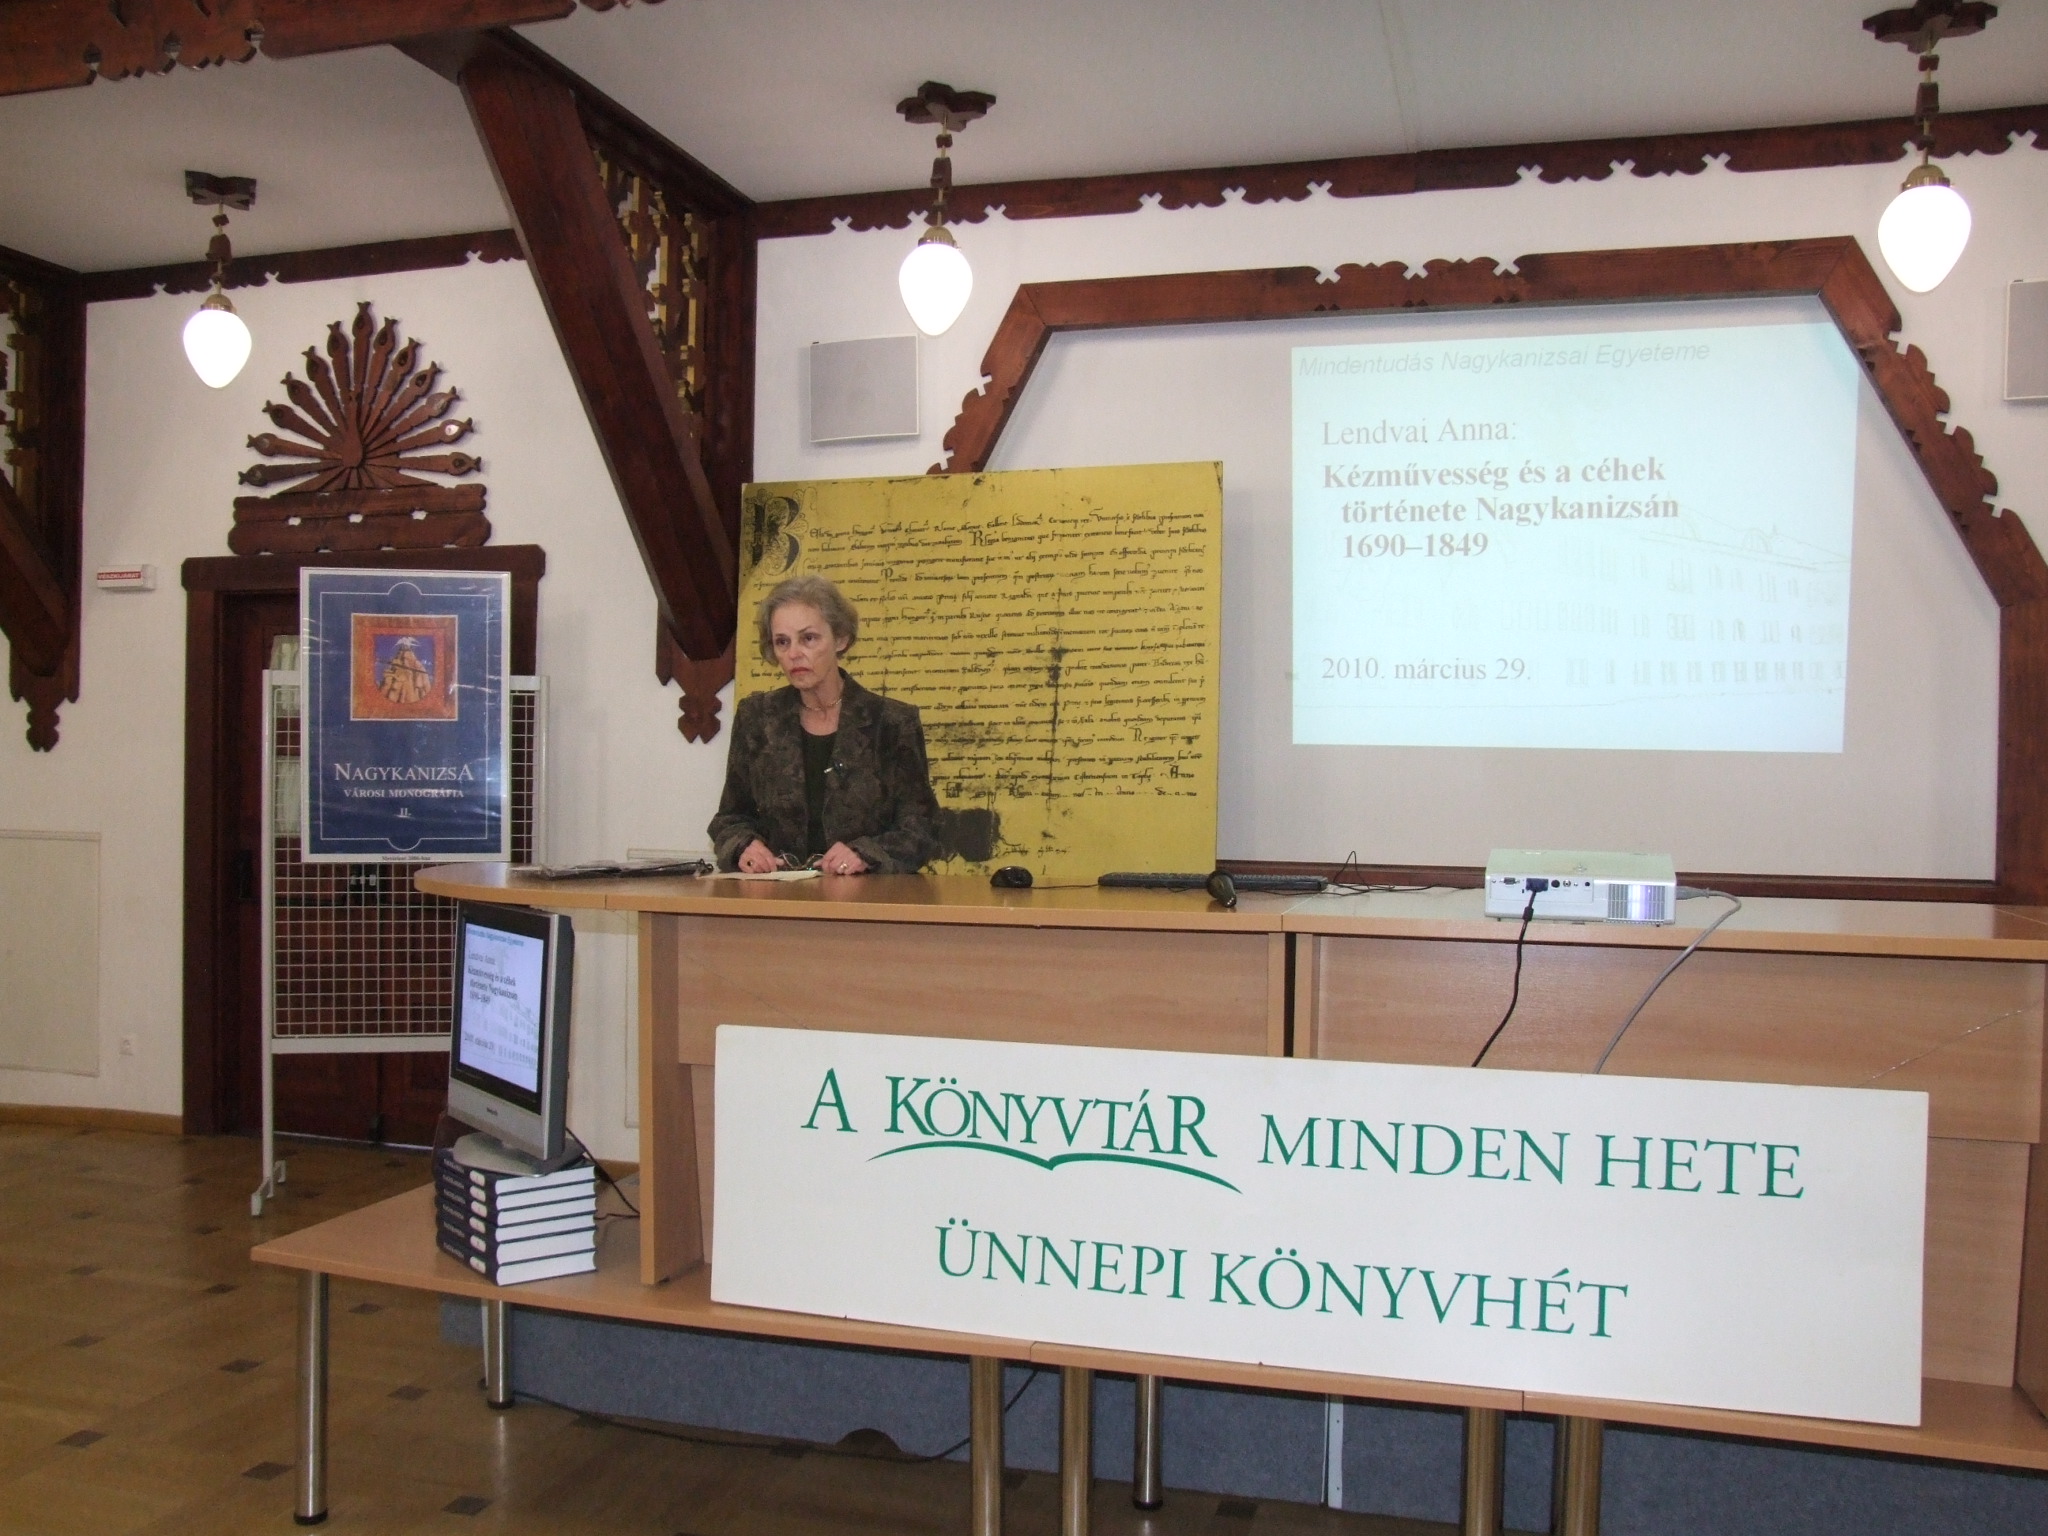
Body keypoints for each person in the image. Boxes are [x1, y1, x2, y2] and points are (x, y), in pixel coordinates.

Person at [708, 574, 942, 875]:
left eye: (808, 638)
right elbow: (730, 819)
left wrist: (865, 854)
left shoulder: (892, 723)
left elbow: (922, 829)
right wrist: (743, 847)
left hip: (866, 895)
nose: (794, 654)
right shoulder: (757, 718)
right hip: (777, 894)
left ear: (840, 639)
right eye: (782, 642)